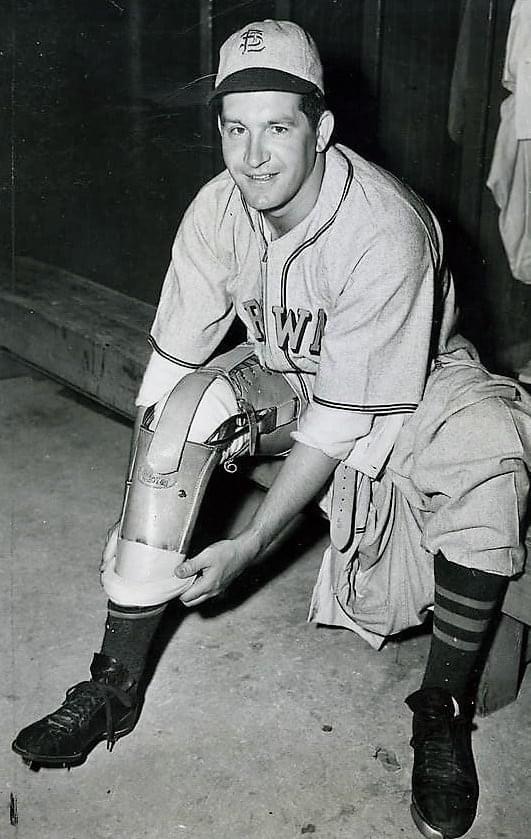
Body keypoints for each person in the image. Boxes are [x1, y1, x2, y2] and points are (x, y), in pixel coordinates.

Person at [12, 19, 530, 839]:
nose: (252, 156)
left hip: (413, 382)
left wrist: (250, 543)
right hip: (291, 374)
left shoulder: (380, 227)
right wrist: (139, 501)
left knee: (490, 446)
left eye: (277, 128)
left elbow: (344, 423)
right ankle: (113, 683)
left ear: (320, 129)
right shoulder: (218, 209)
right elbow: (168, 369)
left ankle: (442, 707)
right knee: (184, 416)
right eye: (234, 127)